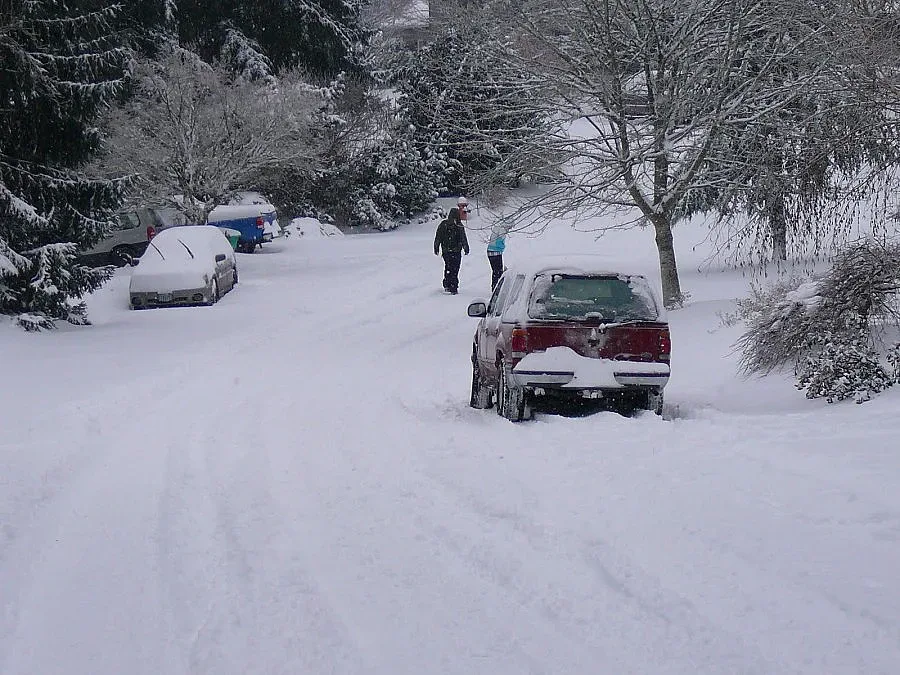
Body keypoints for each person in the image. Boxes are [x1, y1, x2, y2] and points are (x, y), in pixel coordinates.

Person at [434, 207, 469, 294]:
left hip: (446, 251)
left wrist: (436, 247)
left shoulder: (443, 224)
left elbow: (438, 236)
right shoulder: (459, 225)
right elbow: (463, 237)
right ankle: (453, 286)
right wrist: (466, 247)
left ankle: (447, 285)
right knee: (455, 269)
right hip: (456, 251)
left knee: (448, 267)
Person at [486, 222, 509, 289]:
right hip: (496, 251)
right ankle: (497, 287)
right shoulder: (502, 230)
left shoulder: (496, 228)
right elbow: (499, 241)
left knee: (495, 270)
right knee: (498, 271)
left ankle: (494, 286)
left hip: (490, 251)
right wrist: (503, 247)